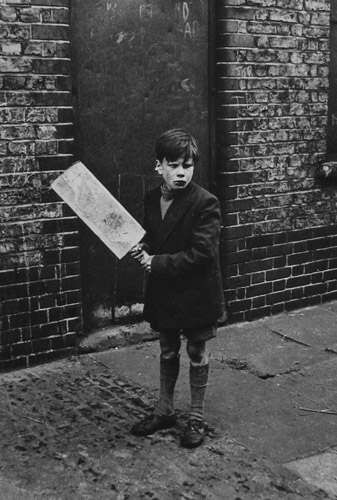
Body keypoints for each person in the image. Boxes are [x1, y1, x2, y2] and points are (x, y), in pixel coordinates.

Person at [130, 128, 225, 448]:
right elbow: (155, 233)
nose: (181, 172)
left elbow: (203, 254)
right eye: (173, 165)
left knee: (196, 350)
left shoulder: (205, 202)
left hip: (197, 290)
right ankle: (165, 409)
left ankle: (196, 416)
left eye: (188, 165)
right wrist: (142, 242)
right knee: (168, 348)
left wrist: (155, 263)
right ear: (159, 166)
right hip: (166, 291)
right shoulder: (150, 197)